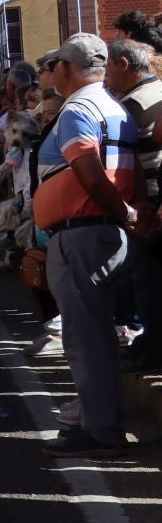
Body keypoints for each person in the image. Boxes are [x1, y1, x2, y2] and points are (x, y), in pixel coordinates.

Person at [36, 34, 141, 457]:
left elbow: (90, 171)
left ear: (66, 69)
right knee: (95, 334)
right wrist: (129, 214)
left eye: (54, 65)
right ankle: (98, 421)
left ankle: (101, 430)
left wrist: (124, 213)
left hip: (82, 233)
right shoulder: (114, 106)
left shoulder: (78, 108)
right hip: (99, 233)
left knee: (86, 337)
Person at [107, 40, 162, 372]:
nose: (105, 76)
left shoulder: (132, 104)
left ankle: (152, 346)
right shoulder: (157, 91)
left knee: (147, 283)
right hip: (154, 199)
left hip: (149, 203)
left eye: (109, 67)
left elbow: (127, 160)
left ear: (124, 64)